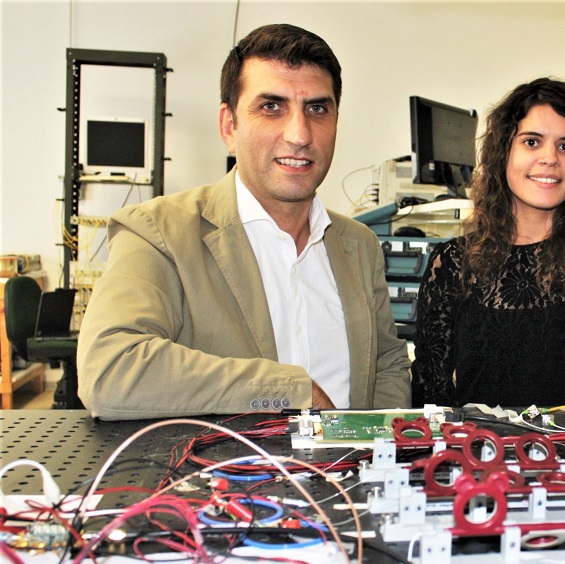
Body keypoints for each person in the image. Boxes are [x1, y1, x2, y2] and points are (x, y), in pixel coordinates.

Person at [77, 24, 411, 420]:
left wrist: (378, 442)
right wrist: (290, 391)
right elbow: (110, 371)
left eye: (317, 109)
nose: (299, 134)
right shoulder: (157, 232)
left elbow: (387, 363)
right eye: (271, 107)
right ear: (229, 126)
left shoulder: (359, 244)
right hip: (222, 461)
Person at [411, 77, 565, 408]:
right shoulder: (452, 262)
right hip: (475, 439)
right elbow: (430, 389)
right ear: (503, 152)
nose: (550, 158)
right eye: (532, 142)